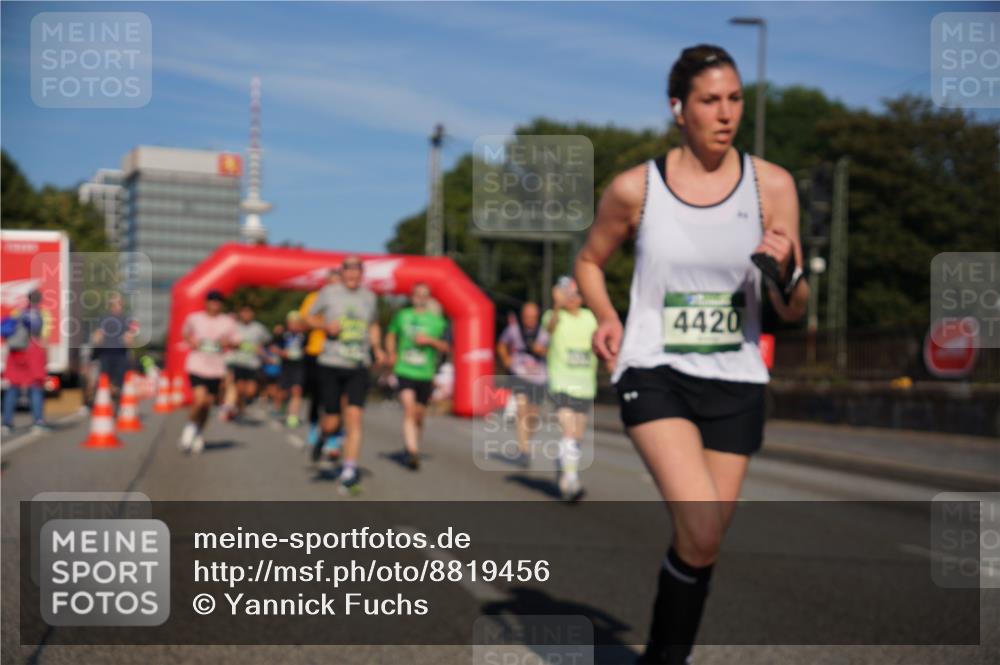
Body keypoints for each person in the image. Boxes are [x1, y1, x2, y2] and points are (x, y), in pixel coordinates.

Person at [574, 45, 808, 664]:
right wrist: (605, 315)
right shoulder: (635, 189)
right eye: (710, 100)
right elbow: (590, 261)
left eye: (734, 99)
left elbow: (795, 307)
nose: (725, 113)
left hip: (736, 378)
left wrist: (786, 273)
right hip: (656, 369)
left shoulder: (772, 185)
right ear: (679, 108)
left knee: (702, 544)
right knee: (701, 525)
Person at [306, 255, 386, 494]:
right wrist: (324, 326)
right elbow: (308, 318)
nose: (352, 275)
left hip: (357, 364)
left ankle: (349, 470)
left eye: (357, 271)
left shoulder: (369, 297)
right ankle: (322, 437)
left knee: (354, 418)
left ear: (361, 274)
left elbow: (373, 324)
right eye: (348, 271)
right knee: (332, 420)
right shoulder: (329, 293)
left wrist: (377, 347)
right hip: (331, 362)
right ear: (342, 273)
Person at [538, 276, 598, 502]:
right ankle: (572, 480)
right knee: (568, 431)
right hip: (561, 381)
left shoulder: (590, 317)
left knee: (578, 437)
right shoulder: (555, 317)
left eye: (576, 295)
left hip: (585, 384)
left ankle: (565, 472)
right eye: (568, 295)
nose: (573, 299)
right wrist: (556, 305)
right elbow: (549, 329)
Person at [385, 282, 450, 470]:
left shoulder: (437, 321)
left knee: (419, 415)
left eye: (424, 295)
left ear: (428, 298)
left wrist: (429, 340)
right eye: (417, 294)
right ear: (412, 297)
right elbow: (390, 334)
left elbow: (447, 347)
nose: (420, 298)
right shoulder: (402, 316)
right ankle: (412, 451)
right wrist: (391, 353)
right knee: (409, 409)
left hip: (425, 373)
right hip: (404, 370)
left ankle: (412, 445)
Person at [179, 290, 239, 454]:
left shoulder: (228, 322)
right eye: (212, 300)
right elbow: (184, 333)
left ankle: (199, 432)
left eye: (218, 301)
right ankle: (189, 430)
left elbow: (237, 343)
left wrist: (229, 343)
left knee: (207, 405)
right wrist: (191, 340)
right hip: (197, 365)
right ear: (206, 302)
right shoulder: (195, 318)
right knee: (199, 400)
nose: (215, 303)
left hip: (217, 369)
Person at [496, 302, 548, 467]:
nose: (529, 320)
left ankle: (526, 441)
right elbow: (501, 344)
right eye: (526, 316)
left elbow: (555, 351)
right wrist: (505, 359)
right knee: (522, 410)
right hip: (519, 373)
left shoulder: (545, 332)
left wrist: (544, 351)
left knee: (533, 416)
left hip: (539, 376)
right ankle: (523, 449)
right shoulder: (513, 330)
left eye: (533, 316)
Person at [299, 268, 341, 450]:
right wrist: (324, 325)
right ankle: (315, 427)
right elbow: (303, 321)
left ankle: (334, 434)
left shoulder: (347, 300)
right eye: (330, 282)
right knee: (318, 395)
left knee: (338, 398)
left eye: (336, 282)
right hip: (316, 352)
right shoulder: (314, 298)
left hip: (341, 355)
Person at [1, 290, 49, 434]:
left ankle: (6, 424)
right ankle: (38, 422)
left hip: (15, 354)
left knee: (13, 388)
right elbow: (41, 336)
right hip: (32, 352)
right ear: (40, 300)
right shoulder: (41, 314)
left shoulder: (18, 312)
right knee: (35, 388)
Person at [222, 304, 271, 421]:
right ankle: (235, 408)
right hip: (237, 362)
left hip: (253, 364)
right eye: (244, 312)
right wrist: (233, 345)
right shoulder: (234, 327)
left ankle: (240, 406)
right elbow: (225, 340)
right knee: (238, 389)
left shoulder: (259, 328)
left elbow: (267, 341)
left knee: (250, 391)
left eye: (248, 312)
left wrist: (263, 353)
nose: (246, 315)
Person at [91, 293, 137, 399]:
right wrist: (96, 341)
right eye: (114, 303)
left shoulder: (127, 319)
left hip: (120, 354)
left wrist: (129, 341)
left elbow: (130, 337)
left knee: (118, 382)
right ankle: (106, 400)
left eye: (118, 303)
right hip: (106, 354)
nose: (116, 306)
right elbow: (98, 335)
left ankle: (115, 400)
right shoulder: (104, 318)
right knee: (105, 380)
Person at [277, 311, 308, 429]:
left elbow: (310, 349)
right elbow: (273, 347)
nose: (294, 325)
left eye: (297, 322)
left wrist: (304, 352)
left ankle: (293, 416)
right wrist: (282, 352)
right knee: (284, 393)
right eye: (292, 322)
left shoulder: (305, 336)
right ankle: (283, 407)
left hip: (299, 367)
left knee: (297, 390)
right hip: (286, 367)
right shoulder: (282, 334)